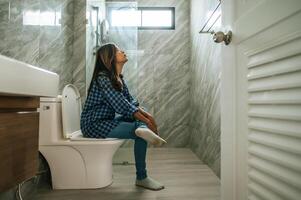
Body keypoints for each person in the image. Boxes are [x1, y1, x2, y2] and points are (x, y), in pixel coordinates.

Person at [80, 43, 167, 191]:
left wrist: (150, 118)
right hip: (93, 124)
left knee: (139, 118)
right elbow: (121, 106)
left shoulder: (117, 78)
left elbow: (132, 103)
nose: (123, 51)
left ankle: (142, 130)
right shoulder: (103, 78)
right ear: (111, 58)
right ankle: (142, 177)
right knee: (140, 132)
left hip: (106, 121)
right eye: (119, 51)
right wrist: (147, 121)